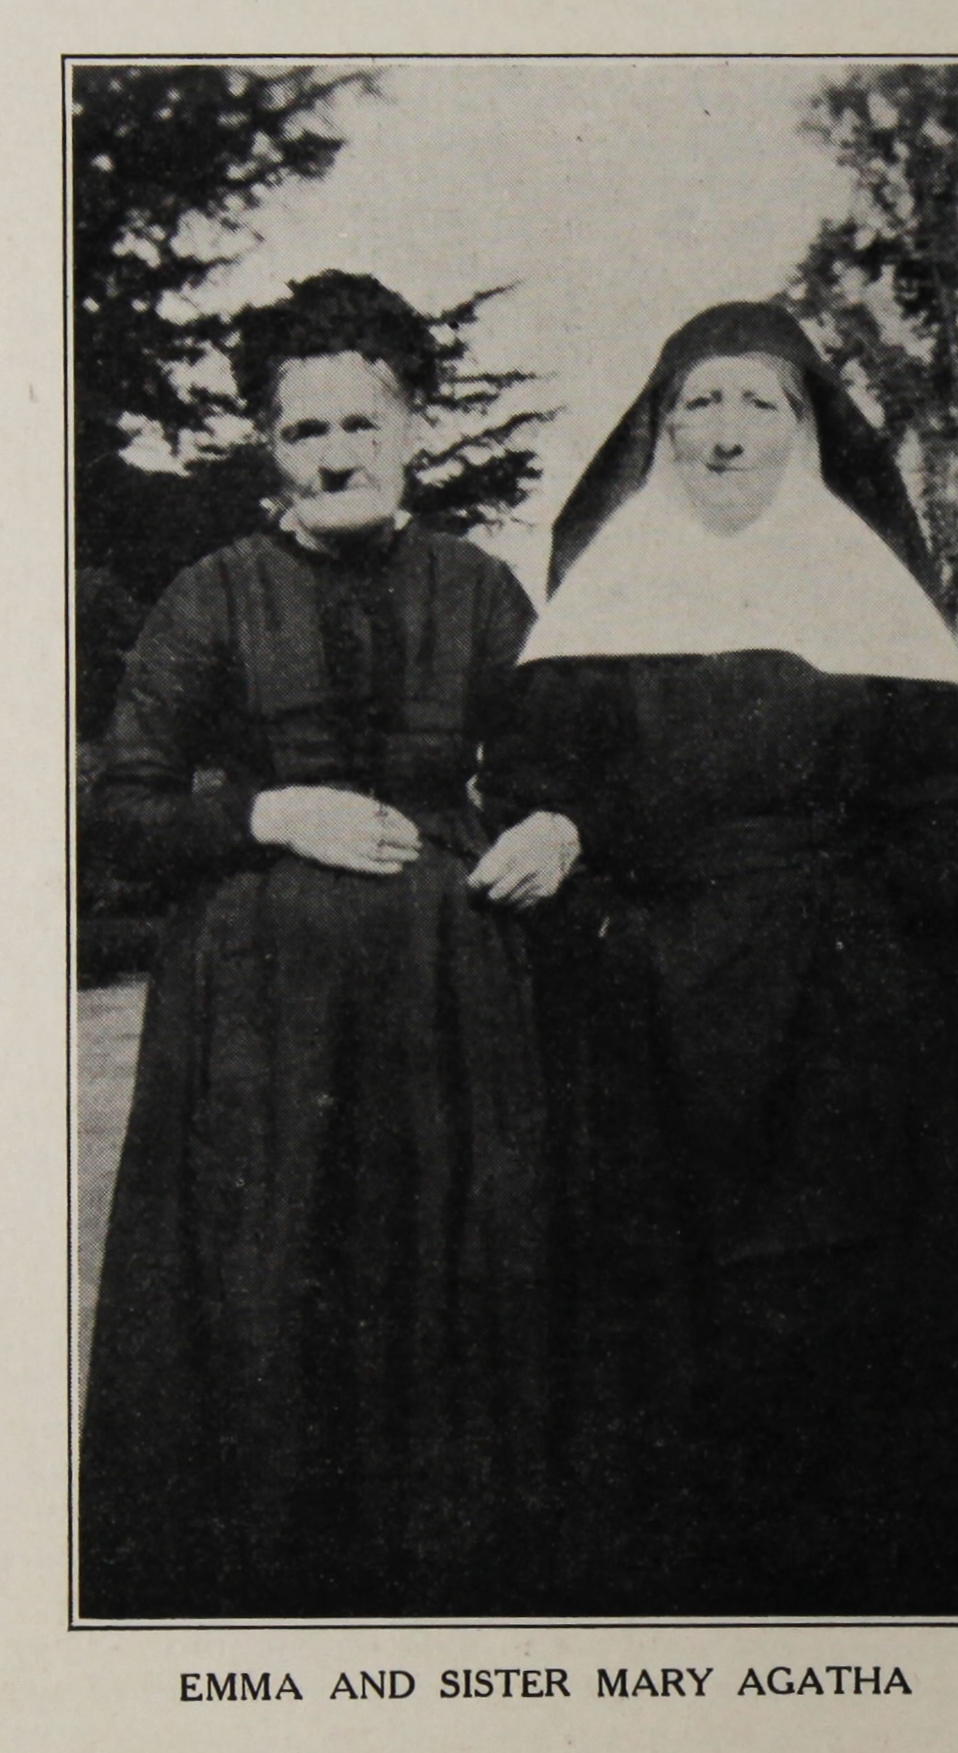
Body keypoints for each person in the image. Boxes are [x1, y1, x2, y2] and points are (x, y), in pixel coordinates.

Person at [471, 302, 958, 1617]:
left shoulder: (872, 602)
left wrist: (884, 946)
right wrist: (564, 837)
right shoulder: (602, 606)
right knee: (672, 1312)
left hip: (852, 1007)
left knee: (858, 1306)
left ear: (805, 430)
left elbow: (950, 808)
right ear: (657, 436)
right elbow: (545, 782)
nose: (725, 434)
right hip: (653, 1000)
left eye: (756, 404)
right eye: (696, 406)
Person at [79, 272, 548, 1620]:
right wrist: (272, 812)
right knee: (275, 1269)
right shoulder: (212, 594)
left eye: (363, 423)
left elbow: (554, 766)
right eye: (304, 430)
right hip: (260, 1019)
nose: (336, 454)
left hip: (446, 1007)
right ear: (267, 447)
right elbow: (117, 810)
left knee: (444, 1271)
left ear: (414, 431)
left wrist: (550, 823)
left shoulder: (480, 589)